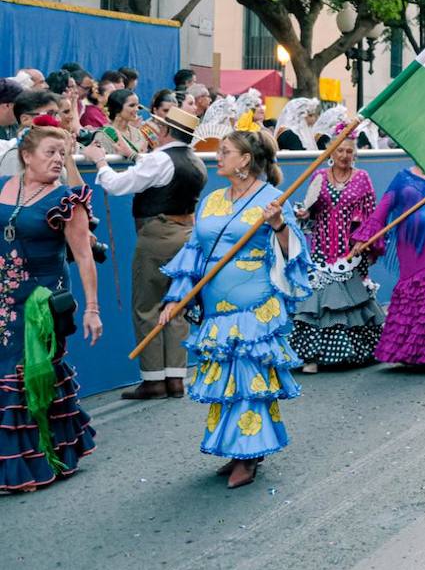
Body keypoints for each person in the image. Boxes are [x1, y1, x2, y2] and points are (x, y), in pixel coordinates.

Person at [158, 130, 311, 489]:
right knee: (226, 381)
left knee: (247, 380)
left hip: (253, 305)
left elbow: (295, 253)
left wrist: (278, 225)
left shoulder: (274, 199)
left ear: (245, 160)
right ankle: (237, 448)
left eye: (225, 152)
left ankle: (248, 456)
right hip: (215, 308)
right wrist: (175, 298)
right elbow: (194, 252)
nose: (217, 157)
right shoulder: (210, 200)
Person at [0, 122, 100, 492]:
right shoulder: (6, 189)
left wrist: (92, 308)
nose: (59, 160)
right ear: (26, 156)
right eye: (51, 153)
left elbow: (85, 257)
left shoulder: (67, 201)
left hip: (42, 303)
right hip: (3, 300)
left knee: (29, 375)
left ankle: (36, 461)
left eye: (63, 153)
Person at [84, 106, 207, 399]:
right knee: (176, 305)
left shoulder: (159, 159)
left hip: (157, 234)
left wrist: (101, 162)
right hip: (186, 234)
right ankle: (176, 377)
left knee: (147, 306)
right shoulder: (195, 162)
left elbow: (116, 185)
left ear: (165, 131)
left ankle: (153, 378)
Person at [354, 167, 425, 371]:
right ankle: (408, 352)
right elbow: (385, 206)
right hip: (411, 244)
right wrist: (366, 237)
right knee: (412, 293)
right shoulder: (402, 177)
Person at [289, 127, 384, 371]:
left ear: (355, 154)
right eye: (339, 150)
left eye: (349, 151)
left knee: (348, 299)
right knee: (318, 300)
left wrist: (364, 240)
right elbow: (309, 212)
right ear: (331, 151)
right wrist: (304, 213)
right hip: (321, 247)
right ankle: (311, 356)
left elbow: (372, 214)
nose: (344, 155)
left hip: (350, 250)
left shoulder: (362, 177)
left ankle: (352, 352)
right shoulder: (319, 176)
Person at [92, 89, 152, 158]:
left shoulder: (138, 133)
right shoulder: (103, 135)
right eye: (132, 105)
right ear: (117, 108)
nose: (137, 109)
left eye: (137, 106)